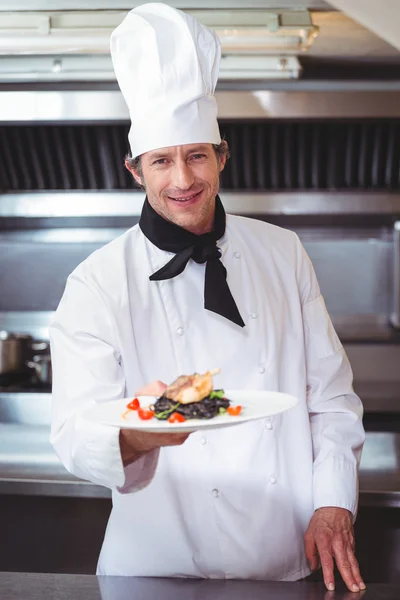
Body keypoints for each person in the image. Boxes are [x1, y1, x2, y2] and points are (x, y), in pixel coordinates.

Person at [49, 3, 366, 592]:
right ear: (134, 170)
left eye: (196, 155)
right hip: (153, 565)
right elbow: (73, 434)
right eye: (161, 161)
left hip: (278, 556)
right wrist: (147, 430)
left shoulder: (282, 252)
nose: (182, 180)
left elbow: (332, 400)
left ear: (221, 156)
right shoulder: (96, 282)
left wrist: (333, 503)